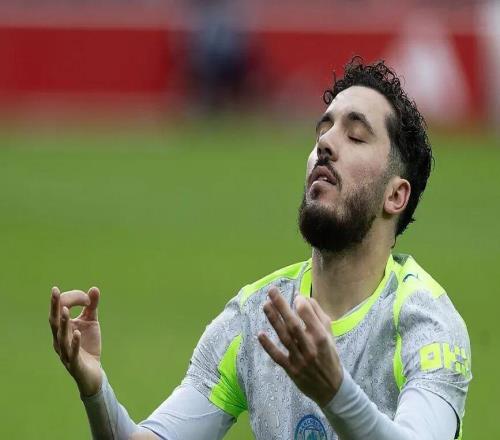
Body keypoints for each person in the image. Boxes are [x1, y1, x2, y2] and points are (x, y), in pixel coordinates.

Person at [48, 58, 471, 440]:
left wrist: (336, 393)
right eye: (322, 131)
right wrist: (95, 389)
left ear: (395, 196)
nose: (326, 144)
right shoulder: (256, 317)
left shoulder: (426, 324)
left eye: (355, 136)